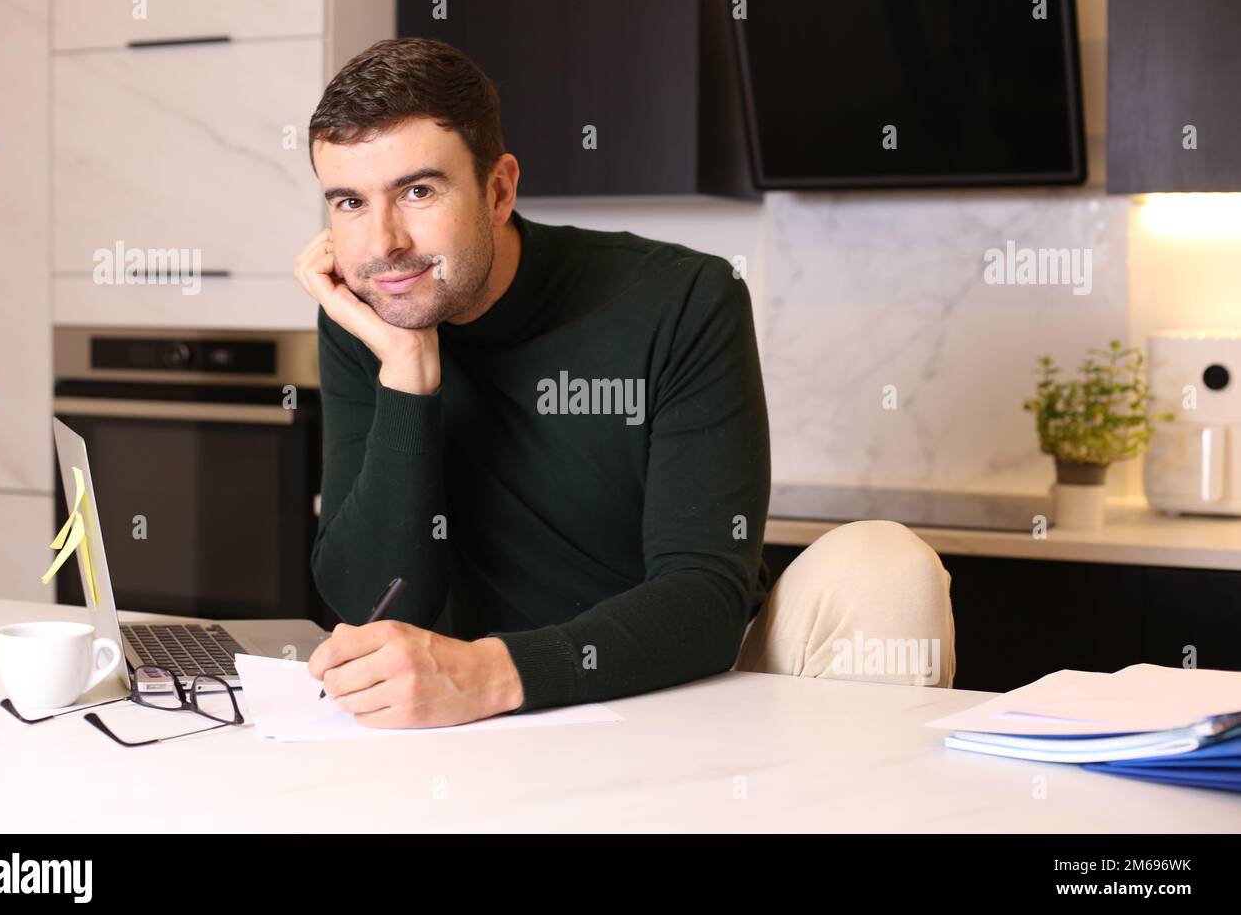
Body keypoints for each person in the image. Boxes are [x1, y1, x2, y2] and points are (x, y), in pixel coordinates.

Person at [295, 37, 954, 729]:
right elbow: (371, 606)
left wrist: (492, 673)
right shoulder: (370, 318)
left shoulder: (681, 298)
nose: (382, 243)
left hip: (684, 697)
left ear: (498, 191)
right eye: (349, 204)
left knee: (885, 564)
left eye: (418, 191)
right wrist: (406, 377)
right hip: (481, 734)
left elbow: (704, 595)